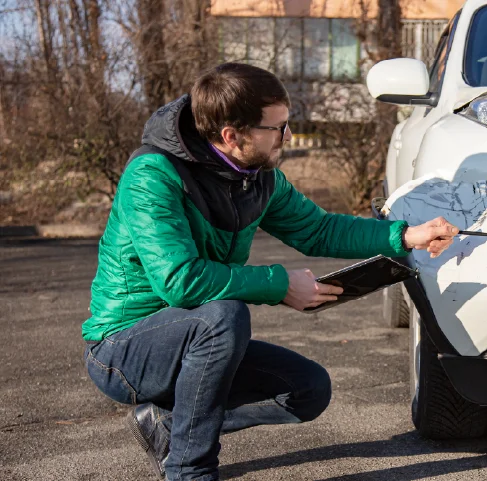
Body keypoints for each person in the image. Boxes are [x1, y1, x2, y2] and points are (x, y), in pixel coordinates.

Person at [81, 62, 458, 481]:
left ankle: (171, 425)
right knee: (222, 317)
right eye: (278, 127)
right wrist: (280, 286)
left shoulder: (255, 177)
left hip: (193, 340)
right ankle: (189, 471)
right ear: (232, 135)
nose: (288, 136)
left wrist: (406, 236)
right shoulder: (151, 177)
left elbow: (318, 229)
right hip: (123, 349)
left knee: (307, 390)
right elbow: (180, 282)